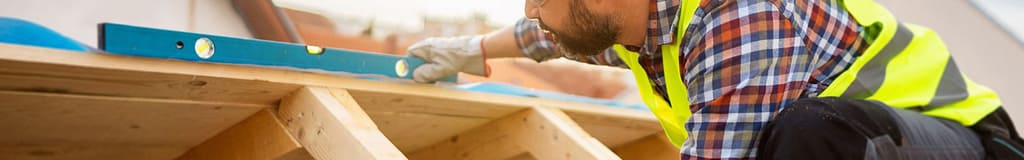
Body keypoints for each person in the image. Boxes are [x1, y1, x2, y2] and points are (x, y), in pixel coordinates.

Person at [406, 0, 1024, 159]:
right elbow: (556, 33)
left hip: (964, 145)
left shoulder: (739, 22)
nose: (531, 10)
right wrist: (471, 50)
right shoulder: (635, 25)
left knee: (807, 138)